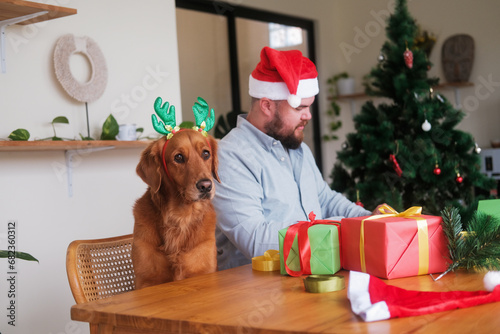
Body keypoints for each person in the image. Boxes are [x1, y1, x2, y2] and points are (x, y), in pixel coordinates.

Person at [213, 46, 372, 270]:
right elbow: (256, 241)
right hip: (256, 292)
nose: (308, 116)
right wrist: (338, 231)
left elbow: (325, 200)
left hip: (311, 271)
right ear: (267, 105)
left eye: (309, 106)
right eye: (300, 108)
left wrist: (370, 220)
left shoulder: (298, 149)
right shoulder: (230, 156)